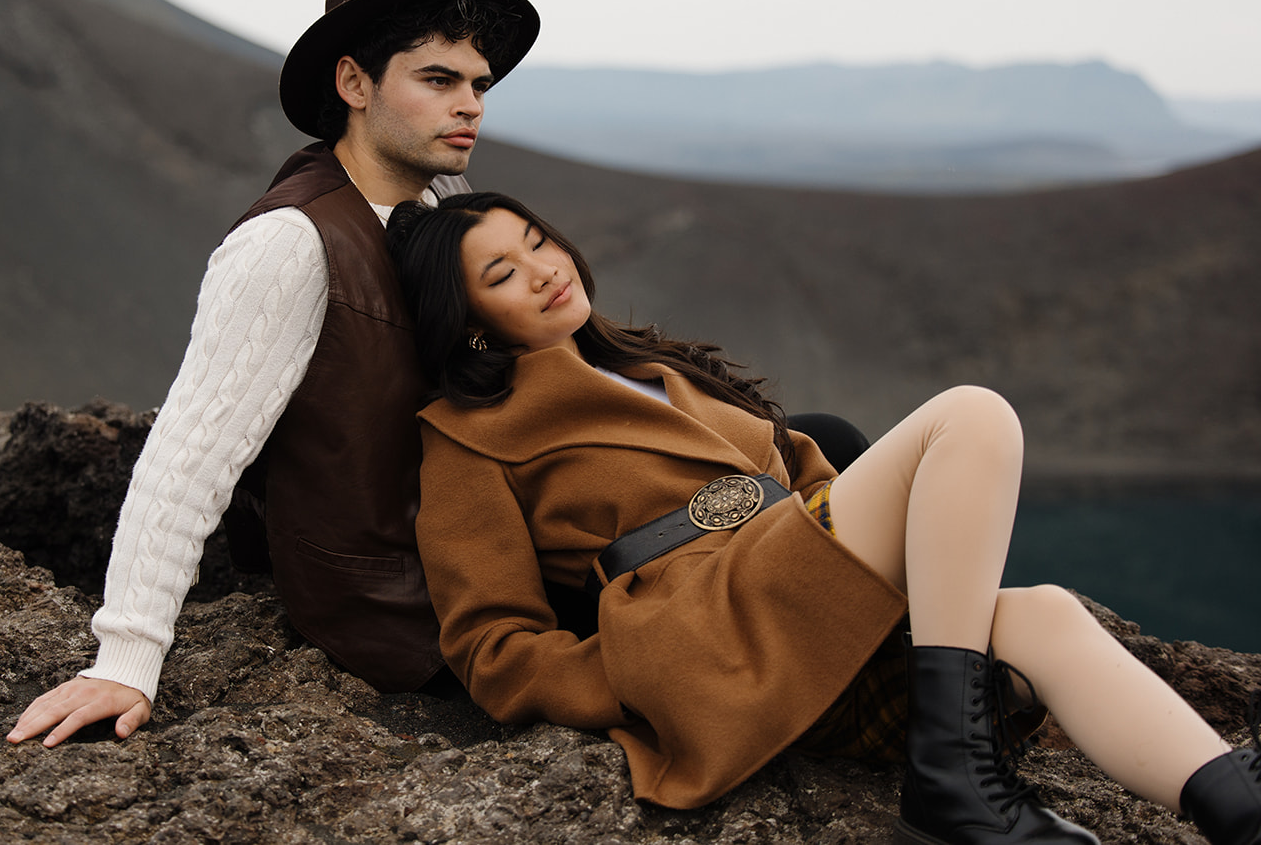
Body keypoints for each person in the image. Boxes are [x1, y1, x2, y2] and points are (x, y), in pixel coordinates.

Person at [384, 190, 1261, 844]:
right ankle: (952, 776)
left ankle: (1233, 804)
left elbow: (792, 467)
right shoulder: (468, 438)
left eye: (537, 241)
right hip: (714, 627)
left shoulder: (643, 364)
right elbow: (491, 647)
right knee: (973, 414)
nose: (543, 268)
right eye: (503, 272)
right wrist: (637, 673)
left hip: (793, 592)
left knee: (1045, 613)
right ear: (470, 324)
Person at [6, 0, 540, 748]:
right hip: (402, 610)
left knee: (790, 452)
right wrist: (125, 655)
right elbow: (191, 450)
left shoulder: (441, 200)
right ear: (354, 84)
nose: (470, 106)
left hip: (491, 545)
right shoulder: (289, 243)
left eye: (478, 85)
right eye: (437, 80)